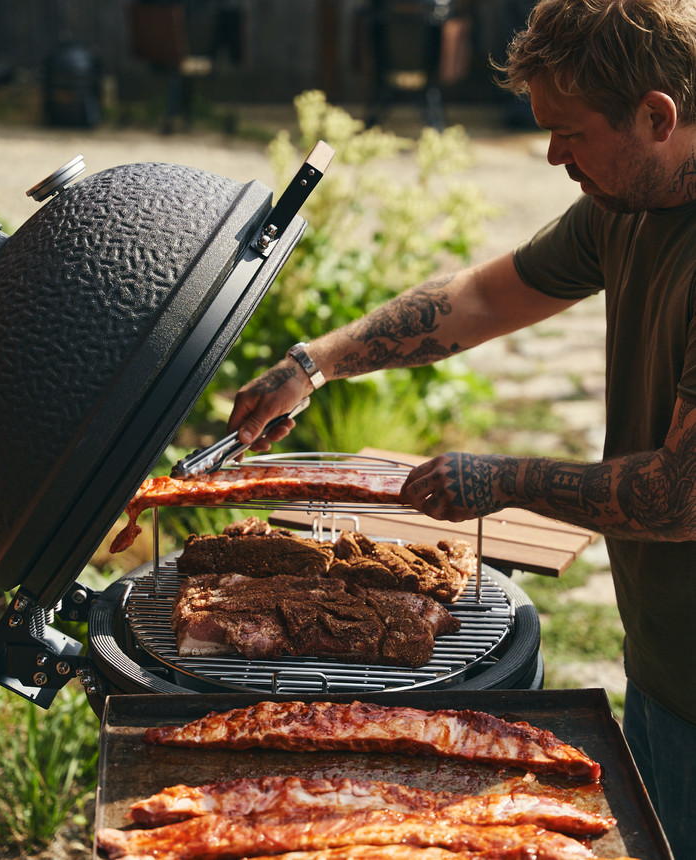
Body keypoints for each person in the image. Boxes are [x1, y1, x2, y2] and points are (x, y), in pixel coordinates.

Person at [227, 1, 696, 855]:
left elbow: (678, 497)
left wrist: (499, 479)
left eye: (570, 133)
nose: (552, 155)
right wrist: (315, 363)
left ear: (657, 117)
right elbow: (481, 298)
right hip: (666, 654)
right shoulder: (626, 200)